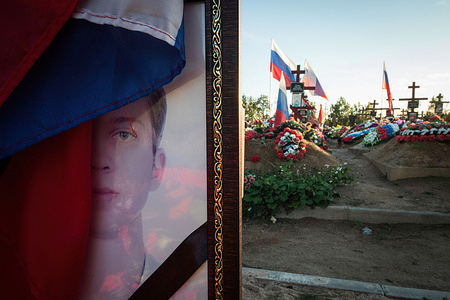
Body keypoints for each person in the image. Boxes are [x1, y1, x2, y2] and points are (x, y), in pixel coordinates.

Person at [79, 88, 167, 300]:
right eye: (82, 137)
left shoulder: (182, 288)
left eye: (124, 135)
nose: (99, 161)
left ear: (156, 169)